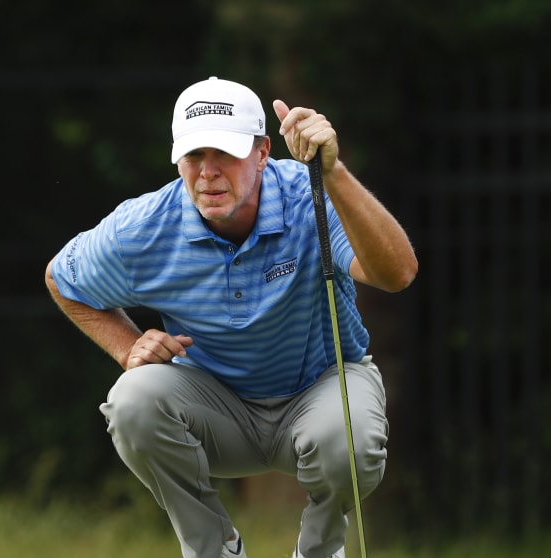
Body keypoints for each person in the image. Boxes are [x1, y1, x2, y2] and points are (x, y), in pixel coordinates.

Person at [43, 76, 418, 558]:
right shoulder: (144, 227)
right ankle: (214, 551)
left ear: (263, 153)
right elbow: (61, 278)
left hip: (322, 386)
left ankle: (320, 552)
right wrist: (125, 345)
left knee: (351, 439)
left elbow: (397, 273)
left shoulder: (311, 196)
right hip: (215, 409)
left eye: (226, 154)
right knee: (131, 399)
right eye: (194, 156)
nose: (208, 172)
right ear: (177, 158)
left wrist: (335, 173)